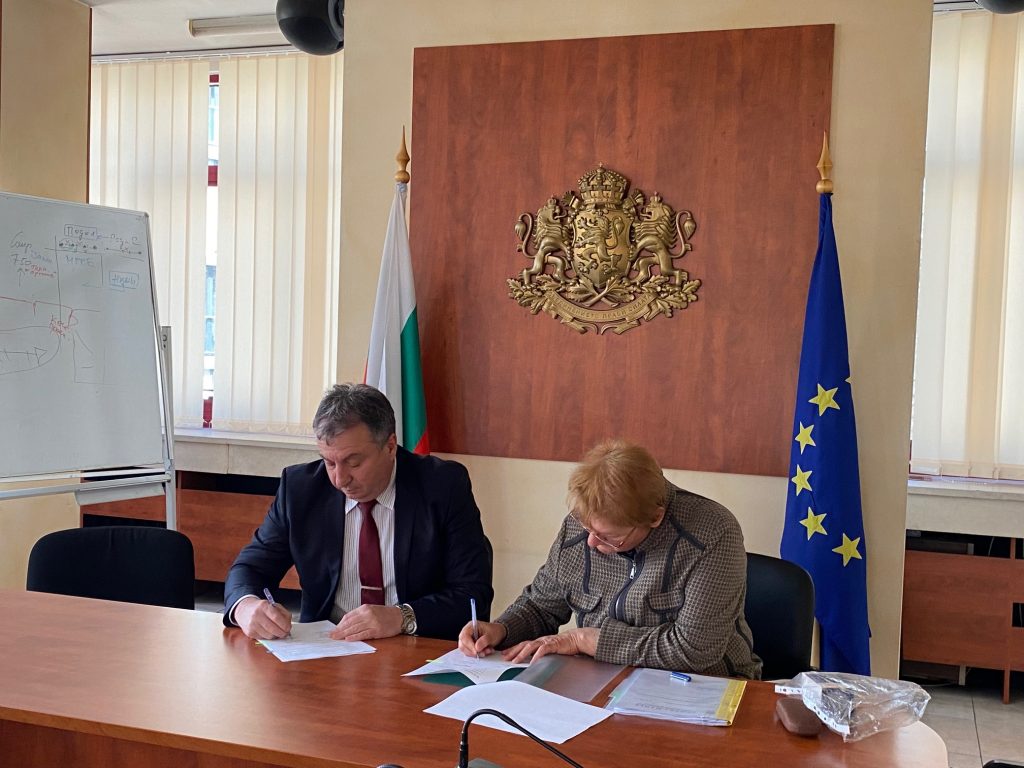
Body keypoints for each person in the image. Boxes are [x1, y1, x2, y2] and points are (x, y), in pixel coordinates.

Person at [458, 439, 761, 679]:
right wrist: (501, 629)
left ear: (655, 518)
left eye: (608, 537)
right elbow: (542, 605)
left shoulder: (712, 533)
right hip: (600, 680)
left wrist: (587, 640)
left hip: (701, 686)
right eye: (587, 527)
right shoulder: (582, 525)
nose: (590, 542)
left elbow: (694, 650)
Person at [225, 383, 493, 642]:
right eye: (329, 462)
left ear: (390, 446)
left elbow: (472, 593)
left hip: (415, 646)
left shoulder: (442, 486)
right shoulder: (300, 489)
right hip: (327, 648)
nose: (340, 479)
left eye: (353, 462)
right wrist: (245, 606)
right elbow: (250, 568)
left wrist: (402, 617)